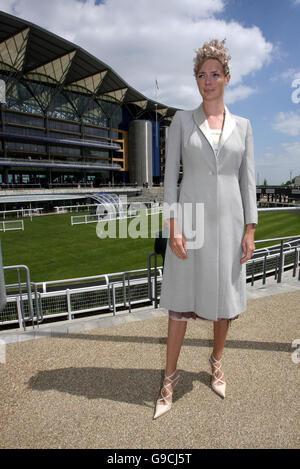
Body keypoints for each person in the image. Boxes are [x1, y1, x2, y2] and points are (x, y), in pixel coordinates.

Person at [154, 39, 258, 420]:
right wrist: (174, 225)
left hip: (231, 224)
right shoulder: (181, 120)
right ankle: (169, 377)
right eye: (202, 75)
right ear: (196, 80)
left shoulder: (244, 126)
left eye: (215, 74)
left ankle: (216, 361)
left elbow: (248, 182)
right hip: (190, 220)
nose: (208, 80)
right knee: (180, 303)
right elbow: (169, 180)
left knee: (224, 303)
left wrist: (250, 228)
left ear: (227, 78)